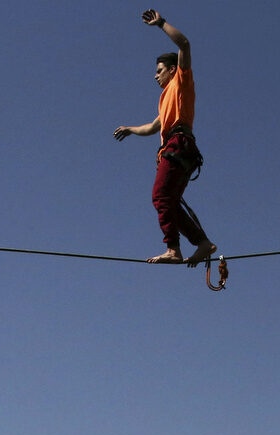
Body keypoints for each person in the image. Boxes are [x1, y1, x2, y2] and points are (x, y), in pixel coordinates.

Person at [113, 9, 217, 266]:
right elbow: (152, 126)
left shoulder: (181, 81)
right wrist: (130, 129)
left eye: (160, 70)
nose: (155, 75)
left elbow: (184, 44)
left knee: (160, 197)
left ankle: (173, 249)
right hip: (180, 149)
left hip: (179, 146)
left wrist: (161, 24)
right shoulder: (166, 101)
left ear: (172, 70)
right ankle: (202, 243)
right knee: (168, 200)